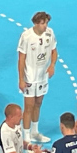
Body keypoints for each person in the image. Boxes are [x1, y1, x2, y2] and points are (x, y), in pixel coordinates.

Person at [18, 11, 58, 143]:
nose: (45, 26)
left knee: (38, 103)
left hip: (43, 76)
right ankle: (26, 136)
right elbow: (21, 59)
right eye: (42, 23)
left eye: (46, 23)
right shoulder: (26, 36)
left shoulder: (50, 33)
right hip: (30, 76)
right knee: (28, 106)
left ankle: (35, 132)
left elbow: (53, 51)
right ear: (35, 23)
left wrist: (52, 65)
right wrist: (21, 79)